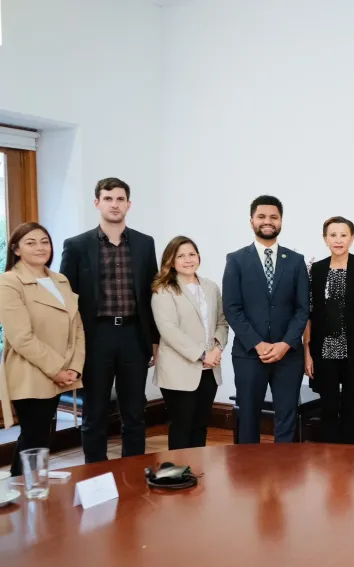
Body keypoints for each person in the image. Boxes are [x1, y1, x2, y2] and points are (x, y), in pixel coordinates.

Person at [60, 177, 159, 463]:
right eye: (108, 199)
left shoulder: (144, 243)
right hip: (96, 336)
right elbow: (69, 299)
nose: (114, 204)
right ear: (97, 203)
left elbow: (149, 294)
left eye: (120, 199)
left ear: (128, 204)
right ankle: (94, 474)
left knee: (135, 412)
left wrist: (153, 340)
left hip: (133, 336)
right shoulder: (77, 246)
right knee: (95, 412)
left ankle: (134, 471)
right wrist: (71, 346)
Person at [222, 195, 309, 444]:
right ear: (251, 221)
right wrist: (258, 344)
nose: (267, 221)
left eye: (273, 217)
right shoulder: (236, 260)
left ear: (281, 221)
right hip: (249, 353)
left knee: (286, 416)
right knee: (248, 416)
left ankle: (284, 473)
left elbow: (302, 309)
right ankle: (250, 475)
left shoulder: (295, 261)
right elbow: (232, 308)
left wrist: (285, 344)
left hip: (288, 355)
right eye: (261, 216)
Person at [0, 223, 85, 475]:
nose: (40, 247)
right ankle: (22, 496)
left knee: (41, 439)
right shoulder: (9, 282)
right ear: (16, 249)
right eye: (31, 242)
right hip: (30, 372)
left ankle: (33, 494)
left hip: (62, 371)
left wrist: (73, 368)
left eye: (44, 241)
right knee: (34, 438)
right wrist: (58, 369)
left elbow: (77, 328)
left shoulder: (60, 280)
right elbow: (21, 337)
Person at [303, 216, 354, 445]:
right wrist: (307, 353)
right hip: (323, 350)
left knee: (350, 407)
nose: (338, 240)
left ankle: (350, 461)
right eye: (333, 235)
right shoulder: (314, 270)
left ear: (352, 238)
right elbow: (308, 314)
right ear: (325, 239)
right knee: (328, 408)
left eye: (343, 235)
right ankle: (329, 462)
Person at [151, 236, 229, 450]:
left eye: (192, 254)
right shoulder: (164, 289)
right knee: (182, 427)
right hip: (179, 370)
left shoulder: (211, 287)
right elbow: (169, 330)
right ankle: (179, 477)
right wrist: (202, 354)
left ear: (199, 257)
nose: (188, 260)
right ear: (171, 261)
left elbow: (222, 322)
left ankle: (197, 475)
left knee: (200, 426)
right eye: (181, 256)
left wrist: (216, 347)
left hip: (209, 370)